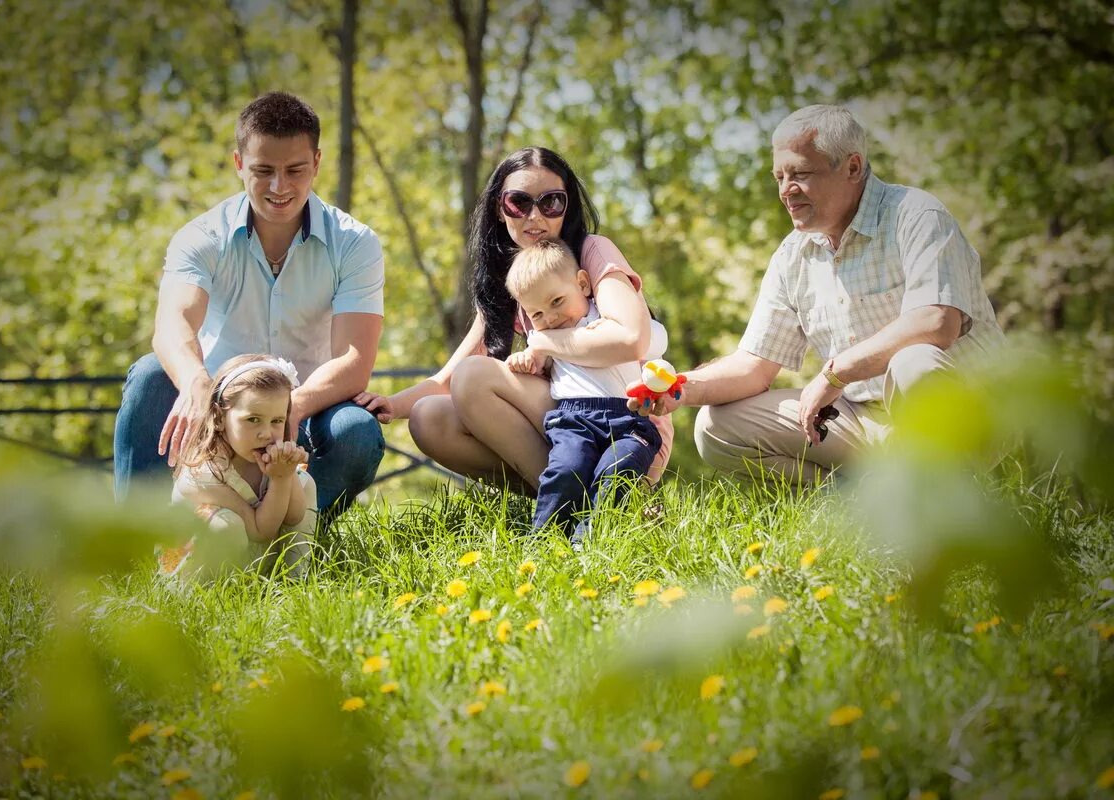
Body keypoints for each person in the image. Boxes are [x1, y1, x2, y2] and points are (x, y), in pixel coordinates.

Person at [633, 104, 1004, 484]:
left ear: (853, 167)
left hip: (968, 420)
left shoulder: (917, 216)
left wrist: (835, 373)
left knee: (914, 363)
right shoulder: (793, 255)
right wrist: (680, 389)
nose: (785, 191)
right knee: (716, 425)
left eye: (800, 174)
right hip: (868, 424)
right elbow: (753, 366)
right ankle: (861, 510)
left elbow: (936, 323)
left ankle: (951, 499)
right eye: (779, 177)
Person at [112, 92, 385, 519]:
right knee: (149, 375)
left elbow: (354, 361)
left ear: (316, 162)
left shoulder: (355, 243)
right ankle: (140, 538)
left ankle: (292, 534)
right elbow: (173, 325)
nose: (280, 187)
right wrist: (197, 384)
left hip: (303, 411)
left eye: (295, 170)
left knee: (358, 432)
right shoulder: (200, 236)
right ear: (239, 164)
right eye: (263, 171)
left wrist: (286, 409)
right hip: (219, 410)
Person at [353, 147, 672, 494]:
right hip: (569, 426)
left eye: (551, 202)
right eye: (519, 203)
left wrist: (545, 341)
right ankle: (572, 501)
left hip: (626, 428)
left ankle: (610, 500)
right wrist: (391, 404)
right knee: (428, 417)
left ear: (568, 207)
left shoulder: (592, 251)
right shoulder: (513, 281)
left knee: (474, 376)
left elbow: (631, 339)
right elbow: (446, 380)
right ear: (499, 208)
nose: (535, 216)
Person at [504, 238, 666, 545]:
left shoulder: (607, 317)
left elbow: (649, 340)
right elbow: (535, 358)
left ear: (583, 284)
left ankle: (589, 541)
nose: (550, 318)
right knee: (566, 468)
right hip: (574, 420)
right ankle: (544, 543)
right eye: (536, 314)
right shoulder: (544, 336)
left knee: (617, 468)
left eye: (556, 302)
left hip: (629, 419)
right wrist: (527, 355)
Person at [162, 354, 317, 576]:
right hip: (200, 566)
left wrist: (287, 473)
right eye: (253, 420)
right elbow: (259, 531)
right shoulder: (202, 475)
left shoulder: (268, 459)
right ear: (219, 417)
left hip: (249, 559)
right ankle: (203, 598)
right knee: (227, 525)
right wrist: (280, 479)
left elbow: (295, 516)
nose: (266, 434)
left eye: (276, 421)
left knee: (304, 482)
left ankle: (294, 577)